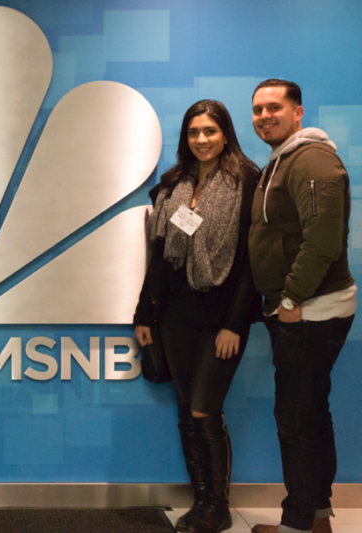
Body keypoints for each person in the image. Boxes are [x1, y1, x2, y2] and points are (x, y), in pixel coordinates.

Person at [134, 100, 260, 533]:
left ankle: (218, 505)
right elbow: (157, 259)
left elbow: (249, 264)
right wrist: (144, 315)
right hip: (174, 316)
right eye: (193, 132)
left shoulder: (248, 182)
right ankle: (202, 501)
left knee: (206, 410)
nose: (201, 140)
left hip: (218, 319)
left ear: (225, 133)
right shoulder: (173, 184)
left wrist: (235, 324)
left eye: (209, 131)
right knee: (187, 410)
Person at [248, 80, 356, 533]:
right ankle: (314, 519)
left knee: (296, 419)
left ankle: (298, 524)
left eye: (274, 107)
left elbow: (325, 239)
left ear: (298, 112)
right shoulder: (283, 159)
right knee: (308, 413)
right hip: (302, 308)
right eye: (257, 109)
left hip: (310, 310)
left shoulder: (311, 158)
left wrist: (292, 296)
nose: (264, 115)